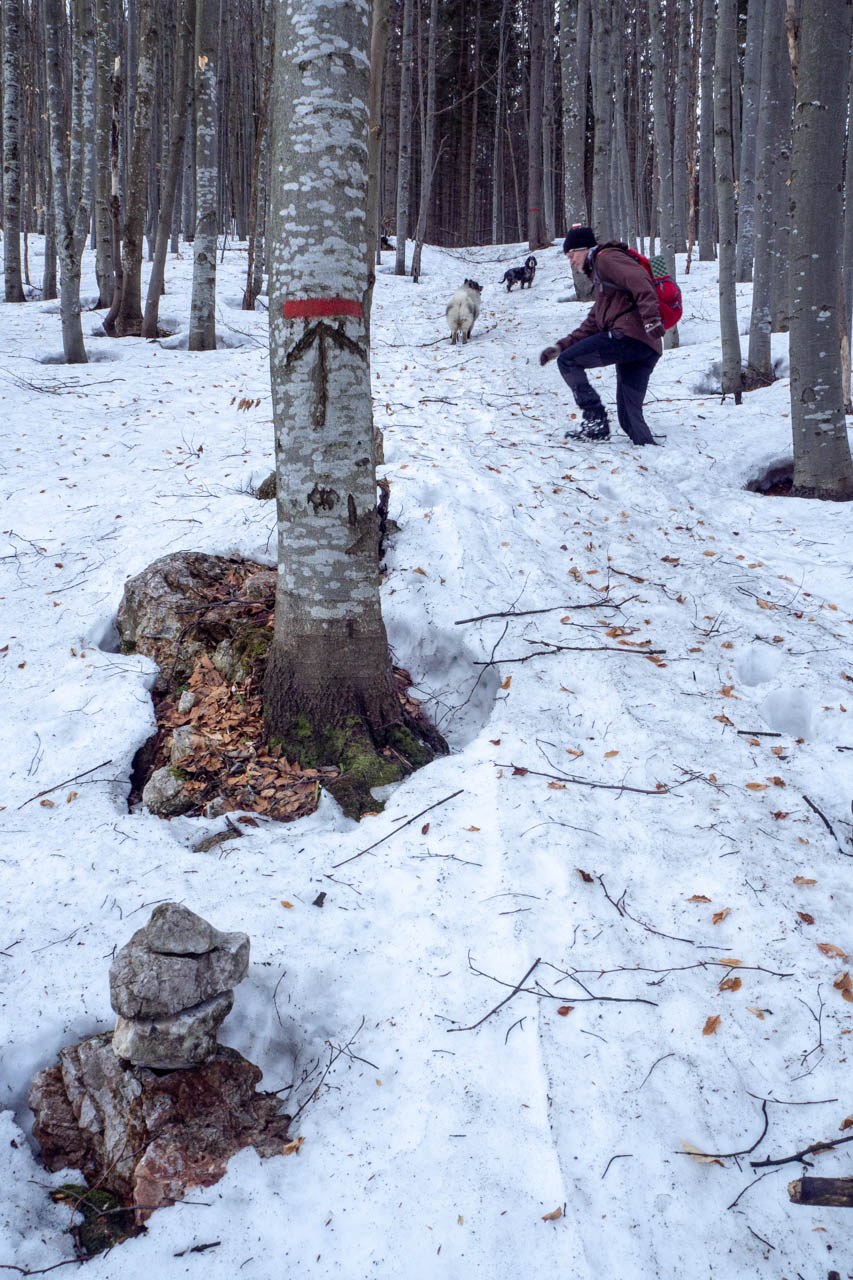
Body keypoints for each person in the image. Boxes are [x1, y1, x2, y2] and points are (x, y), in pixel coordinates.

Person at [540, 226, 665, 445]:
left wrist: (651, 318)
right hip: (646, 346)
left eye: (571, 255)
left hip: (629, 337)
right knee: (629, 419)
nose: (570, 261)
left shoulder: (606, 258)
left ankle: (595, 422)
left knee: (569, 362)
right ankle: (649, 450)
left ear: (584, 249)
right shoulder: (602, 281)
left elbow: (639, 280)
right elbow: (592, 323)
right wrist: (560, 347)